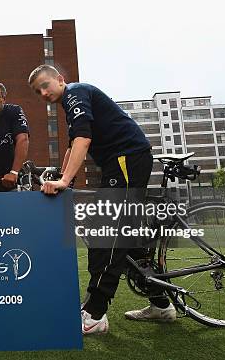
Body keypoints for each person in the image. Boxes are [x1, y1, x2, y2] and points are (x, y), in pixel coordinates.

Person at [27, 64, 175, 335]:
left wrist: (63, 181)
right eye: (38, 92)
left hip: (127, 158)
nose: (43, 93)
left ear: (60, 79)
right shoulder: (70, 102)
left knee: (106, 233)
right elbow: (73, 145)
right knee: (124, 238)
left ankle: (95, 314)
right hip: (120, 161)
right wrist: (64, 176)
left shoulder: (75, 93)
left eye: (45, 86)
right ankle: (161, 303)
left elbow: (83, 139)